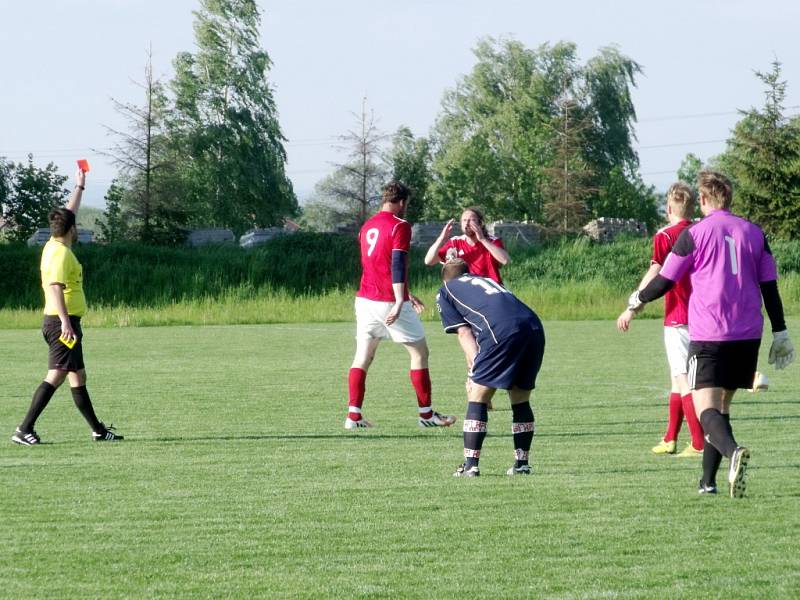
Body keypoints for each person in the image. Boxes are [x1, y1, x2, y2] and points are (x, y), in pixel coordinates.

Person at [628, 171, 794, 498]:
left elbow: (666, 280)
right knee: (721, 409)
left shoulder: (694, 233)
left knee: (706, 410)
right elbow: (770, 288)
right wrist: (781, 332)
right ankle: (708, 483)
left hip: (709, 335)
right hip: (747, 334)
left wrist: (638, 298)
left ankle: (734, 452)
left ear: (703, 200)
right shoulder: (755, 233)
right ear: (729, 199)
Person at [11, 168, 123, 445]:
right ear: (72, 229)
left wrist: (79, 186)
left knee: (77, 376)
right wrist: (65, 322)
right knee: (58, 375)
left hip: (65, 321)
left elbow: (69, 212)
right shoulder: (60, 254)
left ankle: (97, 430)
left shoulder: (53, 242)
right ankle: (24, 429)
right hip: (62, 323)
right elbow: (55, 288)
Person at [345, 181, 456, 430]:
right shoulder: (400, 225)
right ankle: (426, 415)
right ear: (402, 202)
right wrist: (399, 300)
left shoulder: (367, 226)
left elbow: (377, 266)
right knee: (419, 353)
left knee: (363, 356)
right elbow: (396, 265)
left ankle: (353, 416)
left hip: (365, 300)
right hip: (388, 301)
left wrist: (407, 292)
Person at [617, 182, 704, 458]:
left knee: (682, 378)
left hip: (678, 316)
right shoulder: (701, 230)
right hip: (703, 316)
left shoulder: (665, 235)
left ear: (668, 208)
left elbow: (655, 272)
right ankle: (670, 438)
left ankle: (699, 442)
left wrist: (633, 305)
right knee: (676, 379)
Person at [436, 258, 545, 477]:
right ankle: (521, 464)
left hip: (501, 332)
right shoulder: (487, 281)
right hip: (534, 328)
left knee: (478, 397)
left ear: (445, 277)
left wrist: (473, 375)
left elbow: (465, 333)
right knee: (520, 398)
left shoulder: (446, 289)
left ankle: (470, 465)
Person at [424, 207, 511, 284]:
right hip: (465, 290)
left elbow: (505, 260)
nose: (467, 223)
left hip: (490, 289)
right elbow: (429, 261)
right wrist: (441, 239)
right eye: (464, 220)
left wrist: (482, 239)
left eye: (472, 220)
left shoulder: (492, 241)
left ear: (480, 224)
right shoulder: (455, 242)